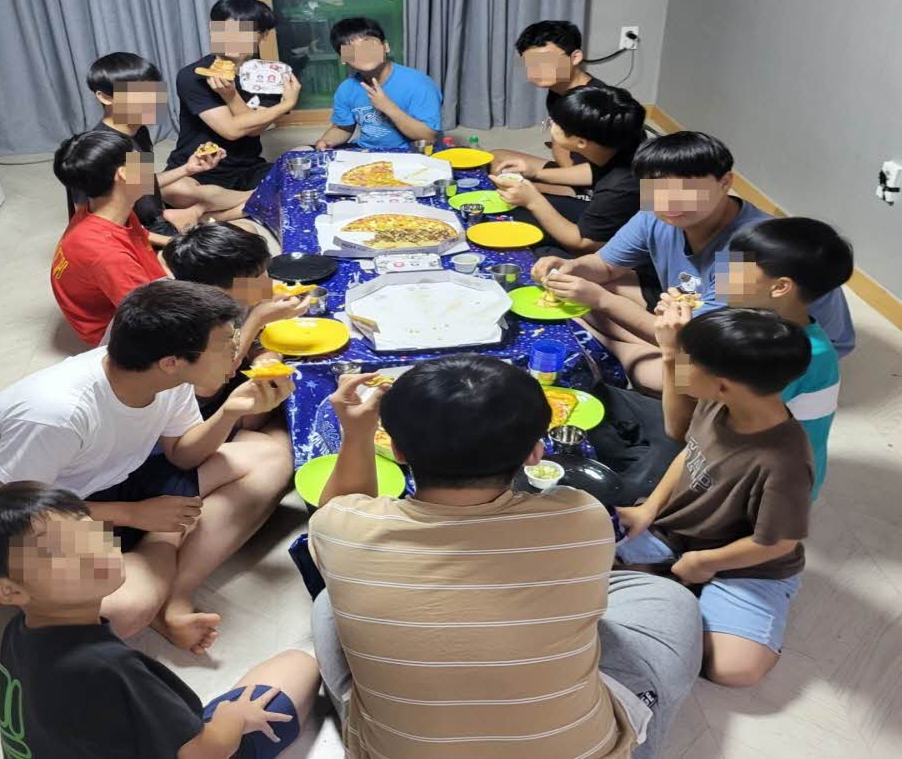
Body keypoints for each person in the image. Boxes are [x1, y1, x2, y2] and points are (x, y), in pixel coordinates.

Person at [310, 356, 703, 759]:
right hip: (580, 751)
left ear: (396, 449)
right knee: (668, 598)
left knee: (328, 604)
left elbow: (339, 509)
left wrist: (356, 434)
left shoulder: (339, 530)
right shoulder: (582, 516)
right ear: (535, 453)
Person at [0, 280, 295, 654]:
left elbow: (183, 454)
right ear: (171, 362)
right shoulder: (57, 414)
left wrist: (230, 412)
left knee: (272, 457)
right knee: (121, 612)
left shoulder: (166, 377)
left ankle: (172, 593)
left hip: (105, 482)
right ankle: (164, 549)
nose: (236, 355)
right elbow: (9, 512)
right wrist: (135, 515)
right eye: (226, 346)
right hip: (26, 522)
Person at [0, 481, 319, 758]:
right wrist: (233, 718)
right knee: (300, 665)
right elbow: (203, 754)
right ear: (7, 590)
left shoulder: (18, 633)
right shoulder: (110, 668)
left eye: (86, 528)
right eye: (56, 549)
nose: (94, 547)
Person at [532, 132, 855, 393]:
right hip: (695, 307)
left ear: (725, 182)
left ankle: (610, 347)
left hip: (774, 346)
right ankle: (624, 341)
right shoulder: (654, 214)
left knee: (668, 377)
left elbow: (697, 339)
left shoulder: (747, 250)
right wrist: (572, 267)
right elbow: (605, 265)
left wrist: (601, 301)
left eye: (686, 189)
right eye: (656, 189)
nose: (668, 201)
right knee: (584, 290)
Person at [615, 308, 814, 688]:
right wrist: (649, 510)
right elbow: (688, 446)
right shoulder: (724, 400)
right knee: (582, 565)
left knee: (733, 670)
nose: (682, 368)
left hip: (744, 562)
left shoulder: (784, 462)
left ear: (722, 385)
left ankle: (689, 587)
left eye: (689, 363)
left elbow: (778, 543)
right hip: (677, 532)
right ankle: (675, 581)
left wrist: (706, 562)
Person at [655, 217, 852, 499]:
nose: (720, 273)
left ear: (780, 287)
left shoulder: (783, 355)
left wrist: (673, 352)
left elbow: (682, 429)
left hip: (750, 489)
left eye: (736, 267)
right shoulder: (759, 321)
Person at [79, 51, 244, 241]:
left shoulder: (137, 131)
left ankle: (257, 196)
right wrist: (173, 242)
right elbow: (97, 228)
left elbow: (140, 184)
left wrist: (187, 169)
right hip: (139, 238)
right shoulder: (98, 151)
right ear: (105, 97)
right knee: (243, 232)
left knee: (214, 201)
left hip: (156, 219)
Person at [162, 222, 310, 424]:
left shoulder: (236, 291)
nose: (266, 282)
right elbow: (209, 388)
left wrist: (267, 360)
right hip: (197, 411)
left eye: (264, 271)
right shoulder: (181, 320)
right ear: (213, 290)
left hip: (233, 376)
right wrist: (257, 319)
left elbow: (258, 341)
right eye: (256, 278)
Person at [164, 0, 301, 213]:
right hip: (197, 171)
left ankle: (211, 212)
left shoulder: (270, 77)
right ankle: (259, 198)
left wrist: (231, 95)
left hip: (247, 168)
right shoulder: (192, 75)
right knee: (177, 191)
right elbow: (231, 130)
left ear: (263, 35)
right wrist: (286, 105)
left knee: (305, 160)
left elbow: (254, 129)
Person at [51, 130, 188, 345]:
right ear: (124, 174)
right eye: (139, 159)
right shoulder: (106, 254)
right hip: (122, 331)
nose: (147, 165)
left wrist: (184, 243)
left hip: (139, 292)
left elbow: (139, 235)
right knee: (235, 296)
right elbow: (153, 319)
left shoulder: (106, 210)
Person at [490, 84, 645, 255]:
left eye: (556, 124)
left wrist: (533, 201)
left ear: (581, 142)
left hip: (623, 248)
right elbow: (593, 171)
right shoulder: (624, 139)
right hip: (617, 216)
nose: (552, 126)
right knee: (509, 209)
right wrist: (535, 173)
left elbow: (582, 243)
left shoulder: (621, 185)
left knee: (510, 226)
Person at [491, 20, 606, 193]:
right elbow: (559, 146)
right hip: (577, 173)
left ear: (575, 57)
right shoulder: (556, 90)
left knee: (509, 188)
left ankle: (577, 196)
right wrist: (566, 177)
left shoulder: (598, 104)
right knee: (496, 159)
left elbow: (613, 171)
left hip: (603, 184)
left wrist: (538, 175)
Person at [314, 17, 441, 152]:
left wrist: (389, 107)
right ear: (344, 58)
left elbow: (429, 136)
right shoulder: (346, 88)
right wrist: (326, 141)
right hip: (366, 152)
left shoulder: (419, 83)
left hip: (409, 153)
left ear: (385, 47)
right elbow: (343, 128)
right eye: (350, 50)